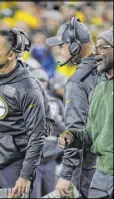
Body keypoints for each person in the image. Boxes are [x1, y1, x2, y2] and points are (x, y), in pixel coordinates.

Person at [0, 28, 54, 198]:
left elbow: (37, 135)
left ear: (12, 54)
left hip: (15, 165)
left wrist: (25, 175)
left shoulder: (28, 87)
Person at [46, 17, 98, 198]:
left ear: (74, 46)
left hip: (91, 168)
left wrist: (66, 174)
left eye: (61, 45)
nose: (59, 51)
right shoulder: (107, 70)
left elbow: (75, 133)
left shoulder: (77, 82)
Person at [58, 26, 113, 198]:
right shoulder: (101, 86)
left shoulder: (79, 81)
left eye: (103, 47)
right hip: (101, 173)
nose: (96, 53)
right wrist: (73, 137)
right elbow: (92, 132)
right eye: (96, 47)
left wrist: (66, 174)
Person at [30, 69, 65, 198]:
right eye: (37, 80)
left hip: (51, 159)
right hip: (32, 161)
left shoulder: (56, 102)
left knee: (52, 194)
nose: (40, 83)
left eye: (43, 80)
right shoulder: (24, 100)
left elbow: (65, 129)